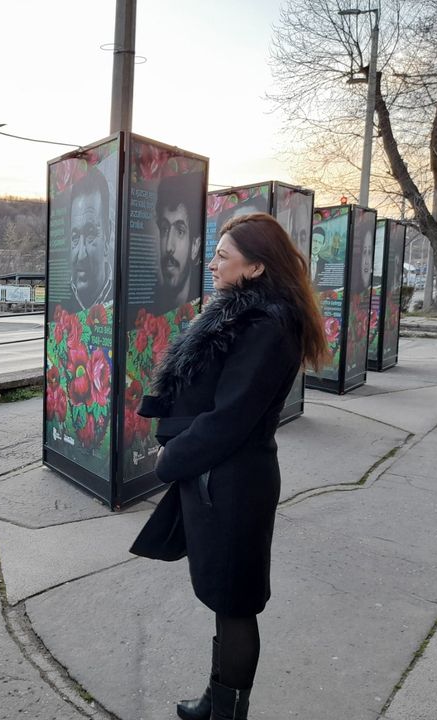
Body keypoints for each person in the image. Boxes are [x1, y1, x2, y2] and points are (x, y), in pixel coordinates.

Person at [132, 213, 329, 720]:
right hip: (222, 478)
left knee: (236, 604)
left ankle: (226, 713)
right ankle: (218, 702)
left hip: (234, 484)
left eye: (223, 256)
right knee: (226, 599)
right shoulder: (245, 316)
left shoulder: (267, 327)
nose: (212, 263)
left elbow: (230, 418)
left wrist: (171, 458)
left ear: (256, 267)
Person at [155, 172, 203, 313]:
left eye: (180, 231)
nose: (169, 247)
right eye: (164, 229)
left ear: (195, 246)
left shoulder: (200, 312)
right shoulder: (148, 311)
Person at [69, 165, 113, 309]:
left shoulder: (117, 298)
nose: (81, 255)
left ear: (107, 235)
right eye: (75, 236)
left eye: (91, 234)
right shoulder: (63, 303)